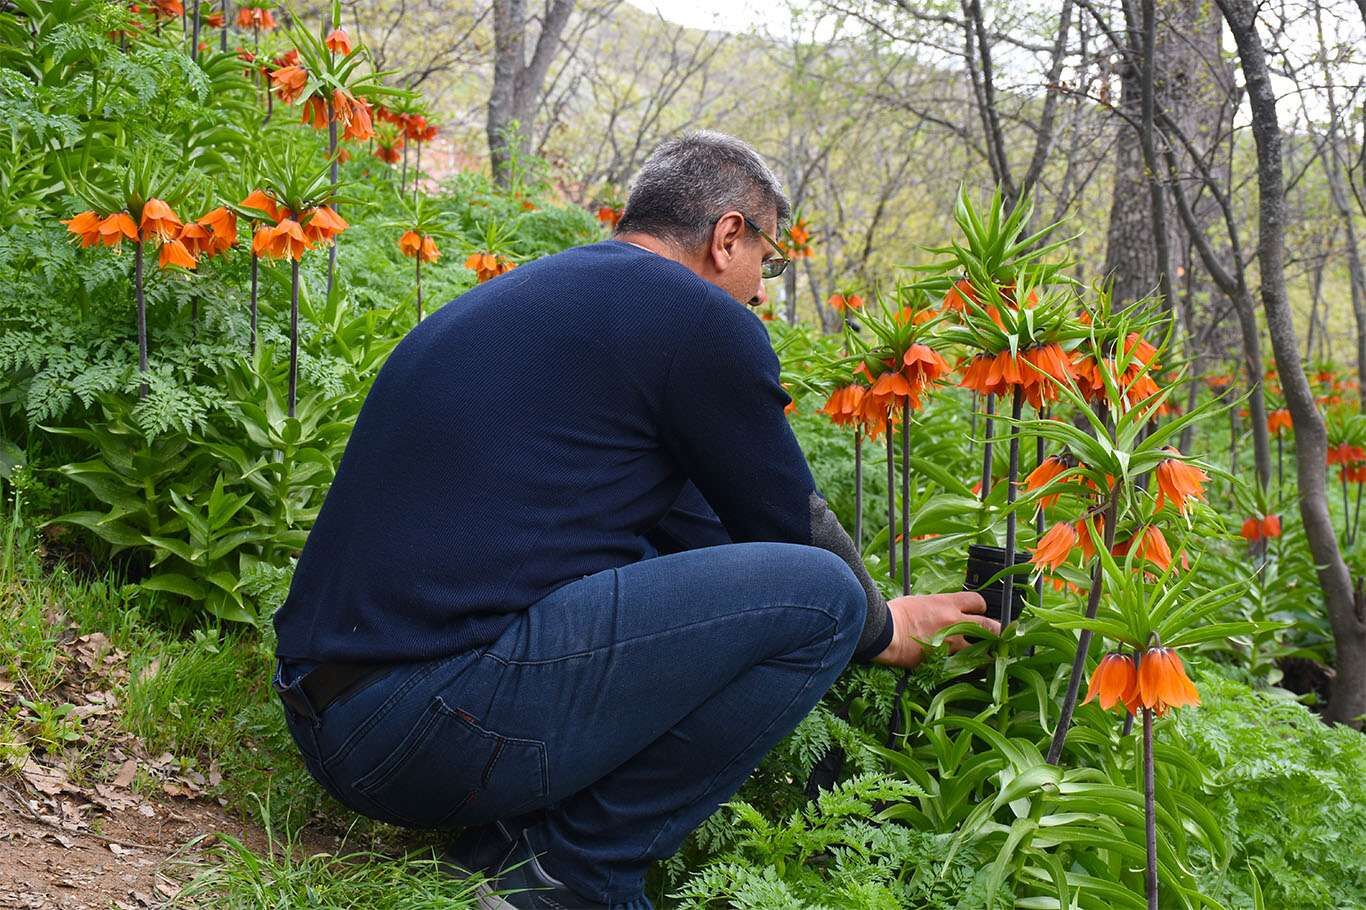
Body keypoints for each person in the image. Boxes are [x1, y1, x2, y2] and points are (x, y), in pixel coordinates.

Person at [270, 130, 998, 910]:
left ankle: (514, 843)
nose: (762, 291)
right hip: (422, 731)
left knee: (746, 581)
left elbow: (709, 539)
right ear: (728, 236)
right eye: (769, 261)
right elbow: (790, 527)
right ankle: (569, 875)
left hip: (334, 717)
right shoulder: (699, 320)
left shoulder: (545, 296)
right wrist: (885, 626)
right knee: (825, 597)